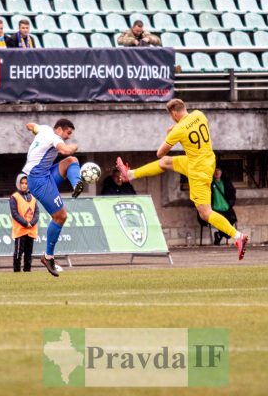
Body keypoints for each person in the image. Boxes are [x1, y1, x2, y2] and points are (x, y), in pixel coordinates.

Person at [116, 98, 249, 260]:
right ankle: (131, 174)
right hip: (205, 161)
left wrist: (169, 135)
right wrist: (176, 129)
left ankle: (238, 236)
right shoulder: (200, 115)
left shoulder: (178, 129)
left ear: (173, 113)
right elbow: (187, 131)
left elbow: (159, 152)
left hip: (197, 170)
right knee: (166, 163)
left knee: (205, 213)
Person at [22, 119, 84, 277]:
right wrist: (74, 146)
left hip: (45, 174)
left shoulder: (43, 129)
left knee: (72, 161)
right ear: (59, 130)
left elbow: (30, 125)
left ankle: (77, 184)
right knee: (60, 216)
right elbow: (65, 150)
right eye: (68, 133)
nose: (68, 137)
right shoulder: (53, 137)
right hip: (38, 180)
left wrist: (33, 129)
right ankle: (48, 257)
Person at [10, 174, 39, 273]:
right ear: (18, 184)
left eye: (26, 183)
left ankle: (27, 272)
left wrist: (32, 222)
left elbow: (36, 213)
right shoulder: (14, 197)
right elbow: (14, 213)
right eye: (22, 183)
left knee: (28, 254)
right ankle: (17, 272)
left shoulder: (33, 198)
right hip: (20, 230)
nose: (24, 185)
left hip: (31, 230)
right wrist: (26, 223)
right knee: (18, 253)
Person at [211, 167, 237, 245]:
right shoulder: (210, 183)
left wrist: (230, 204)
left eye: (218, 170)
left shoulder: (226, 182)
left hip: (226, 208)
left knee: (232, 219)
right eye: (215, 170)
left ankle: (219, 235)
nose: (216, 172)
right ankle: (222, 234)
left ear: (221, 172)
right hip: (215, 209)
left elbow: (233, 194)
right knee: (221, 220)